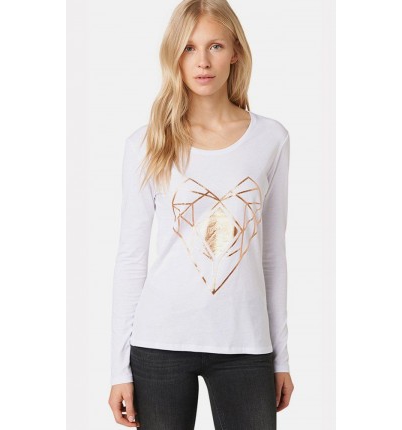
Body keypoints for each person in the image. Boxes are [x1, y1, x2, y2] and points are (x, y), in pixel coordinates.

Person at [108, 0, 294, 428]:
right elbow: (131, 258)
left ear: (235, 52)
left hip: (245, 344)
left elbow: (272, 256)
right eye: (189, 48)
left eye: (215, 46)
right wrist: (119, 369)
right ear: (174, 56)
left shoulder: (271, 139)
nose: (202, 61)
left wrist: (280, 356)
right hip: (160, 342)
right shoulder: (147, 143)